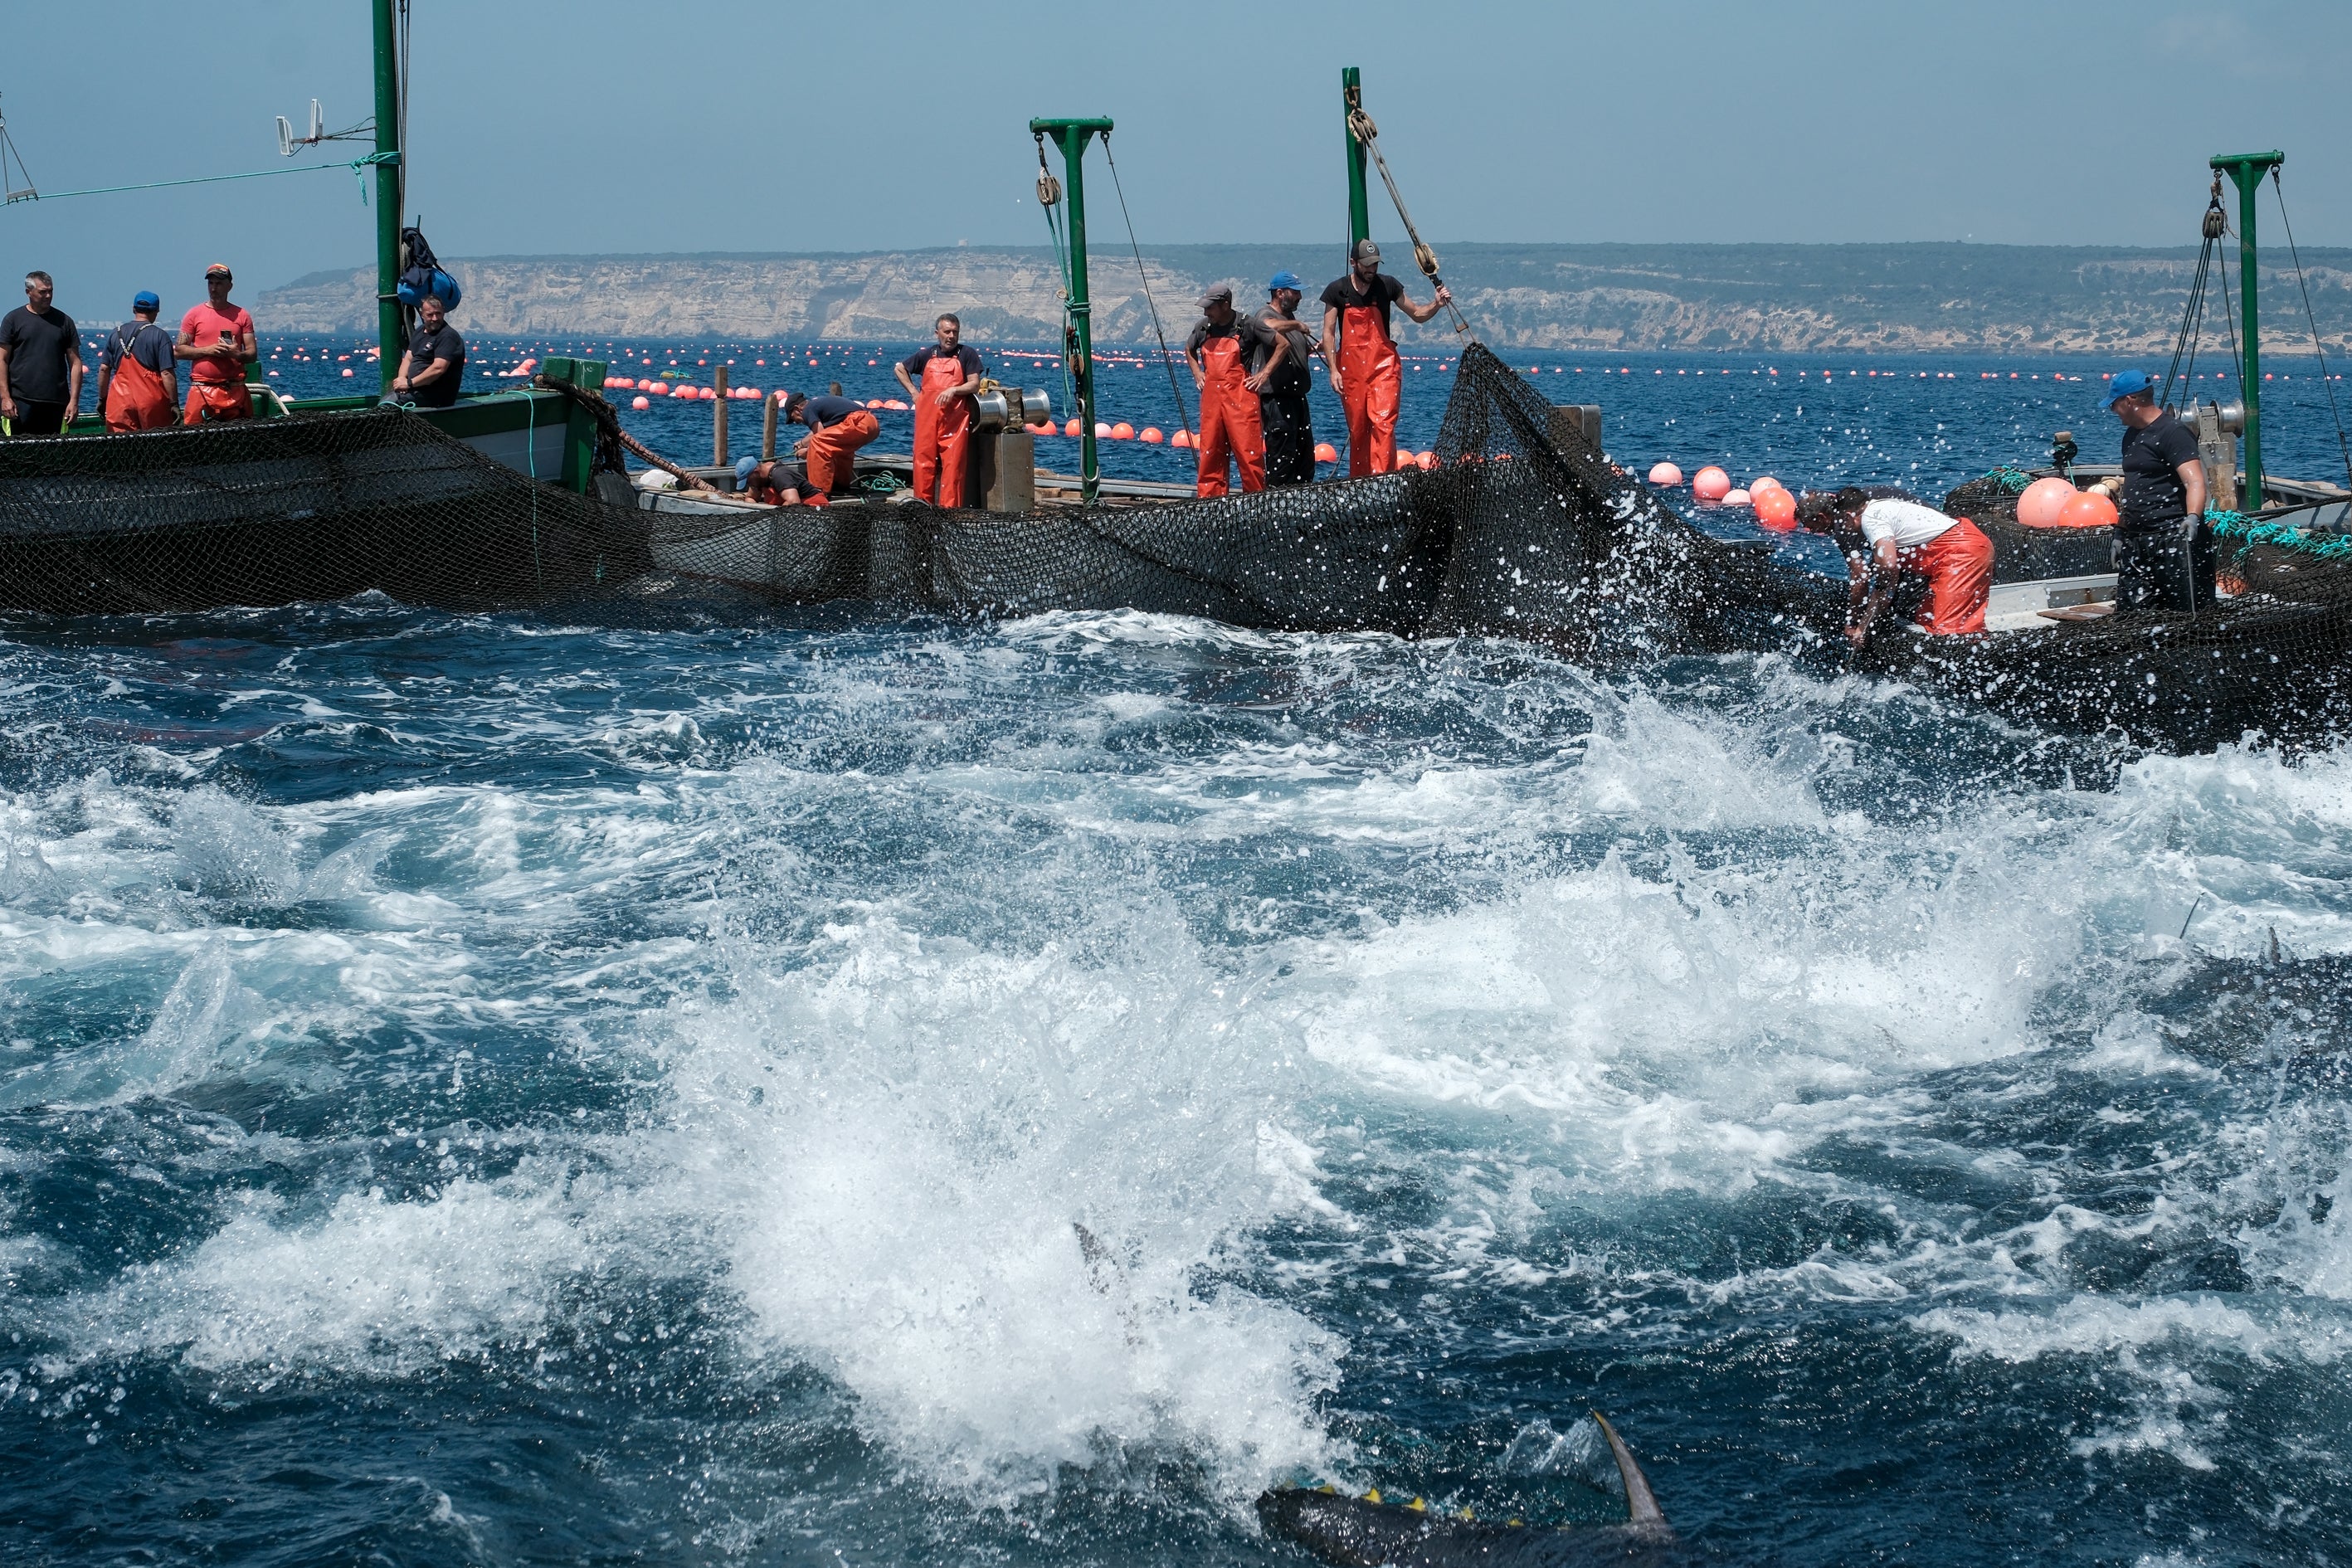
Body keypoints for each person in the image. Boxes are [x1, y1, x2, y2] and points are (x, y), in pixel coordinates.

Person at [1320, 240, 1451, 478]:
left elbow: (1417, 314)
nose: (1372, 270)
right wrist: (1333, 370)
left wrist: (1436, 304)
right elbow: (1328, 333)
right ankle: (1359, 481)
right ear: (1354, 263)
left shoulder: (1388, 285)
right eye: (1367, 265)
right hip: (1351, 372)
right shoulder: (1336, 290)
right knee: (1358, 429)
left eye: (1375, 265)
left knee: (1383, 424)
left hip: (1384, 368)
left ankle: (1383, 480)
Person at [1798, 485, 1994, 644]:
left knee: (1950, 631)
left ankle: (1971, 675)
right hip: (1944, 557)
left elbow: (1886, 568)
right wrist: (1866, 622)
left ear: (1848, 517)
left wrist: (1859, 622)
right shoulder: (1868, 504)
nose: (1811, 531)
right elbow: (1887, 578)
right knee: (1928, 618)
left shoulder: (1869, 518)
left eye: (1809, 525)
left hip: (1961, 553)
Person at [2091, 369, 2213, 611]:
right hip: (2138, 542)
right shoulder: (2131, 436)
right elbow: (2135, 488)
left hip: (2173, 539)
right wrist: (2120, 532)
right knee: (2132, 615)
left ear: (2129, 401)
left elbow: (2195, 482)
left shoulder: (2173, 432)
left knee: (2185, 615)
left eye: (2114, 405)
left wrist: (2192, 518)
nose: (2112, 411)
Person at [1185, 284, 1283, 497]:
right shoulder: (1203, 327)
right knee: (1210, 454)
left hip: (1241, 402)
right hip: (1212, 403)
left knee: (1249, 456)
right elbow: (1189, 348)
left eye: (1210, 308)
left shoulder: (1248, 325)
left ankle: (1255, 504)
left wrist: (1263, 375)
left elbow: (1282, 344)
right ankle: (1210, 505)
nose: (1205, 312)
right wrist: (1197, 373)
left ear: (1225, 305)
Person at [894, 313, 983, 507]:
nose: (951, 336)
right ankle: (922, 510)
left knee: (953, 468)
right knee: (922, 464)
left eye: (955, 332)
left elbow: (974, 384)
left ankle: (950, 513)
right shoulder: (927, 355)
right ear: (937, 333)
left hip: (955, 421)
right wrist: (914, 393)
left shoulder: (967, 354)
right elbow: (900, 369)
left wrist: (954, 390)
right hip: (927, 420)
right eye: (947, 331)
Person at [0, 270, 85, 436]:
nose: (48, 296)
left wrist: (74, 401)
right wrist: (5, 397)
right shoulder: (13, 320)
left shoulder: (64, 322)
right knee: (19, 454)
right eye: (42, 292)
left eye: (50, 291)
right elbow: (2, 359)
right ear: (28, 292)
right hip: (20, 401)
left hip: (55, 402)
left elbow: (75, 363)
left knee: (52, 455)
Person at [1254, 271, 1320, 486]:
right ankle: (1276, 502)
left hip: (1298, 398)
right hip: (1277, 400)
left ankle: (1301, 499)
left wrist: (1312, 349)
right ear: (1280, 293)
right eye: (1295, 292)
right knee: (1282, 456)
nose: (1299, 297)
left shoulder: (1288, 318)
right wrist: (1297, 325)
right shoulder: (1266, 314)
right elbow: (1267, 326)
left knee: (1304, 457)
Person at [175, 263, 258, 425]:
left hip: (234, 390)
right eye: (210, 283)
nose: (214, 288)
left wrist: (235, 354)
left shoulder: (242, 316)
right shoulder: (194, 314)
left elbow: (252, 354)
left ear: (230, 286)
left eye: (219, 283)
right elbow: (179, 351)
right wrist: (209, 350)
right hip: (202, 389)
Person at [96, 290, 180, 432]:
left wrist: (102, 399)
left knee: (122, 449)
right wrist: (174, 404)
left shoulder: (115, 333)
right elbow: (166, 373)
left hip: (119, 401)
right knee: (155, 447)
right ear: (157, 311)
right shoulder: (160, 336)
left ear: (133, 309)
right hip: (151, 401)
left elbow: (104, 369)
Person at [784, 388, 881, 497]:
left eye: (793, 418)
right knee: (839, 449)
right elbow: (823, 434)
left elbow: (819, 435)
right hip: (871, 424)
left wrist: (807, 452)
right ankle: (840, 486)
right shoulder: (820, 407)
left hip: (858, 421)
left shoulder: (808, 410)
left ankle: (818, 492)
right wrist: (802, 443)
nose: (797, 422)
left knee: (818, 442)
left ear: (798, 409)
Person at [392, 295, 465, 408]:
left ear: (443, 313)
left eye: (438, 313)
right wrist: (402, 379)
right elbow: (408, 358)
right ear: (422, 315)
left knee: (390, 405)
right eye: (430, 315)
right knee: (387, 401)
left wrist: (409, 384)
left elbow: (438, 368)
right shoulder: (420, 331)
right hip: (414, 390)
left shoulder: (448, 336)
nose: (435, 318)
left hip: (434, 397)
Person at [733, 453, 819, 507]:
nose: (749, 484)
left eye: (748, 481)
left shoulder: (780, 475)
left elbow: (793, 502)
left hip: (814, 510)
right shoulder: (758, 480)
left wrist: (774, 514)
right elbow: (751, 498)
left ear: (755, 472)